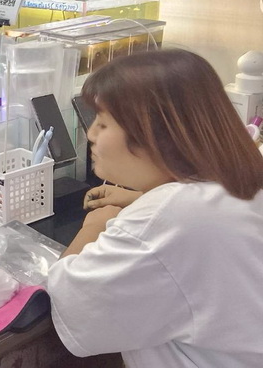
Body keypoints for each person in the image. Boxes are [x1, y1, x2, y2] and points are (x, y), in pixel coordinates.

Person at [47, 49, 263, 368]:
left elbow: (74, 304)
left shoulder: (168, 218)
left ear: (155, 135)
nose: (91, 134)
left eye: (102, 124)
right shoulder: (241, 174)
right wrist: (141, 198)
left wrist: (94, 225)